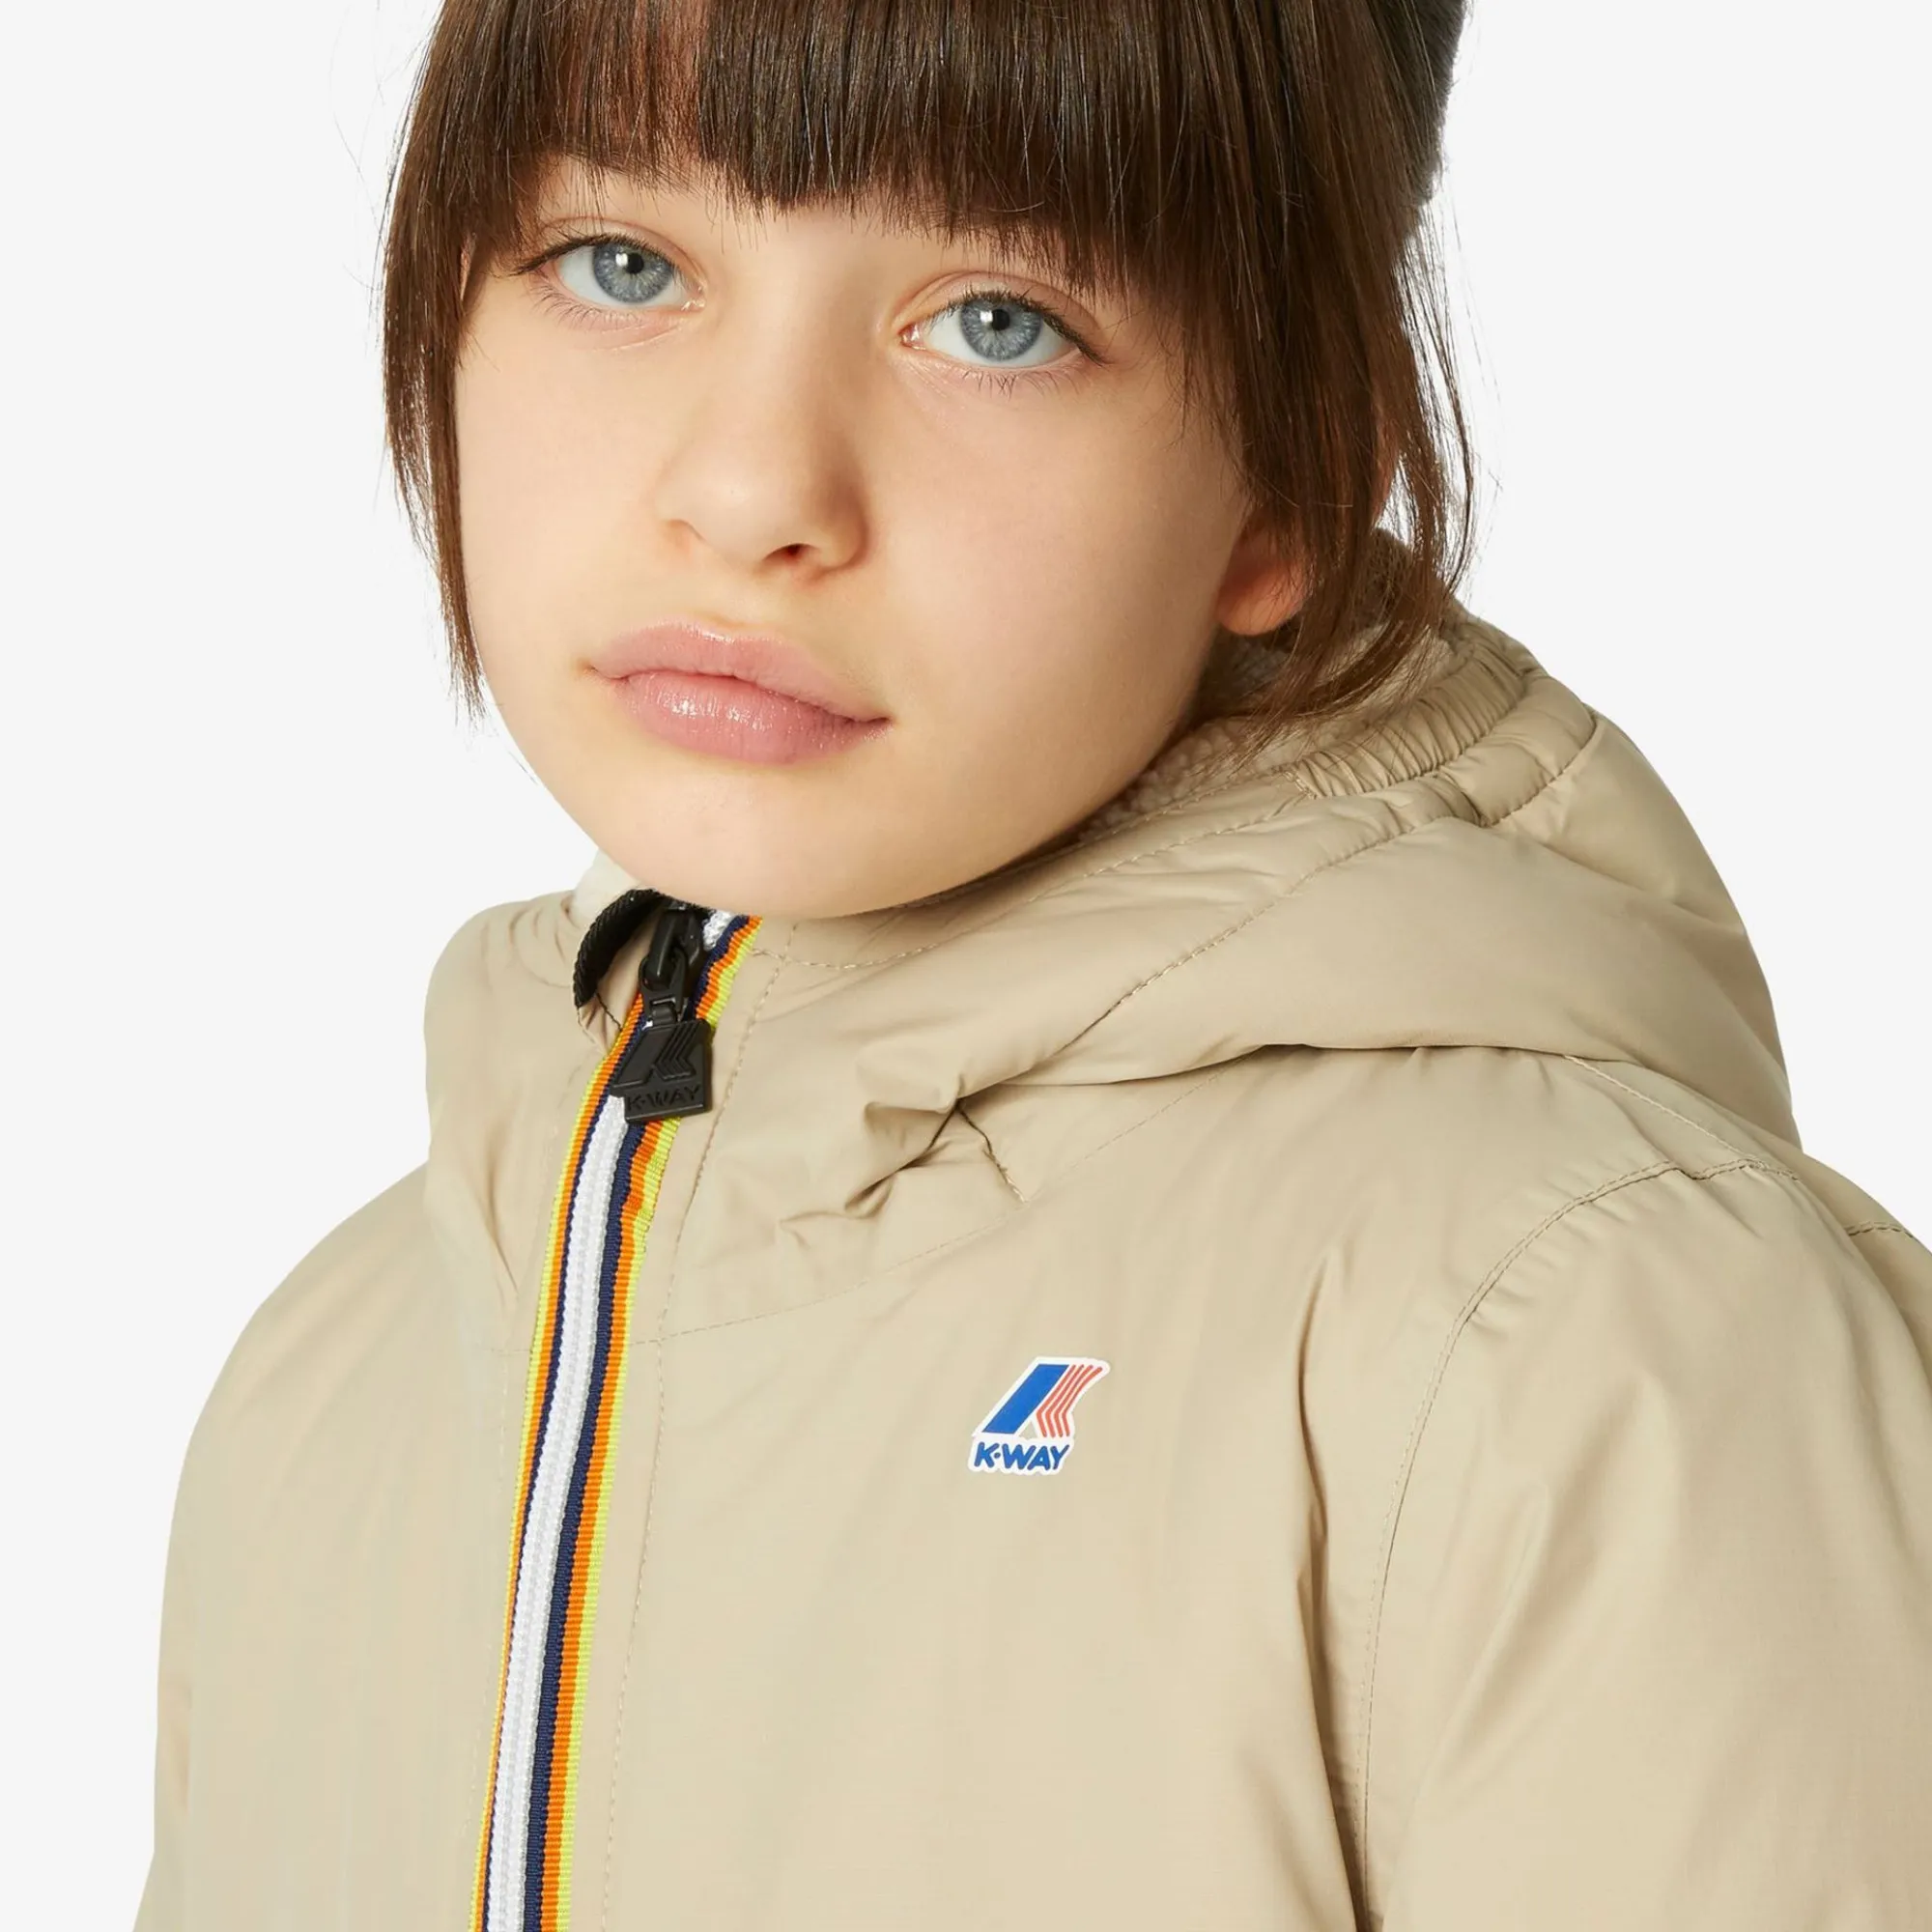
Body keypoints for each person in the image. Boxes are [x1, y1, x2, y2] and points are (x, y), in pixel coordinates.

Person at [134, 0, 1932, 1926]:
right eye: (621, 263)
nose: (750, 490)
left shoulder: (1595, 1348)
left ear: (1294, 472)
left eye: (998, 321)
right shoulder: (342, 1377)